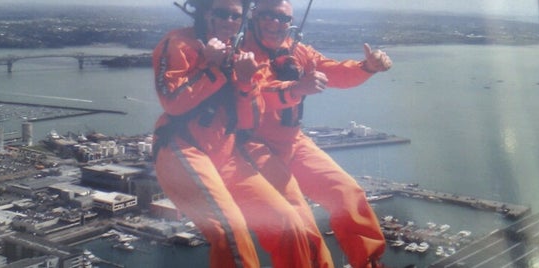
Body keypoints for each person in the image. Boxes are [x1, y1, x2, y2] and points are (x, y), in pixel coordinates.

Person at [152, 0, 324, 267]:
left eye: (236, 16)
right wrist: (211, 67)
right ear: (204, 12)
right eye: (221, 14)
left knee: (288, 223)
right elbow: (172, 102)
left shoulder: (239, 54)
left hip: (225, 151)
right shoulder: (178, 44)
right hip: (183, 146)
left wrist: (245, 82)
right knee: (229, 228)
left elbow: (249, 121)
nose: (229, 22)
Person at [239, 0, 393, 267]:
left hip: (292, 141)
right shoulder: (242, 55)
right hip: (255, 147)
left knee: (347, 193)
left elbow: (332, 72)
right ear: (253, 16)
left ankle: (369, 262)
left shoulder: (297, 51)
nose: (277, 24)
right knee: (299, 219)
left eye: (283, 19)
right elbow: (260, 92)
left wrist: (366, 67)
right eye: (268, 17)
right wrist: (296, 88)